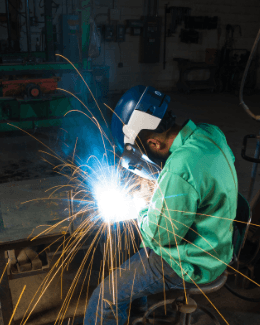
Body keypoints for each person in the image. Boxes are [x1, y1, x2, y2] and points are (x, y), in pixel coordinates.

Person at [84, 85, 238, 325]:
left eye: (145, 151)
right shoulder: (210, 134)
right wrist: (161, 178)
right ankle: (137, 313)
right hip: (220, 245)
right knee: (131, 270)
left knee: (105, 298)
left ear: (154, 143)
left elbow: (160, 236)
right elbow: (201, 176)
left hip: (190, 261)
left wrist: (142, 204)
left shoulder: (179, 168)